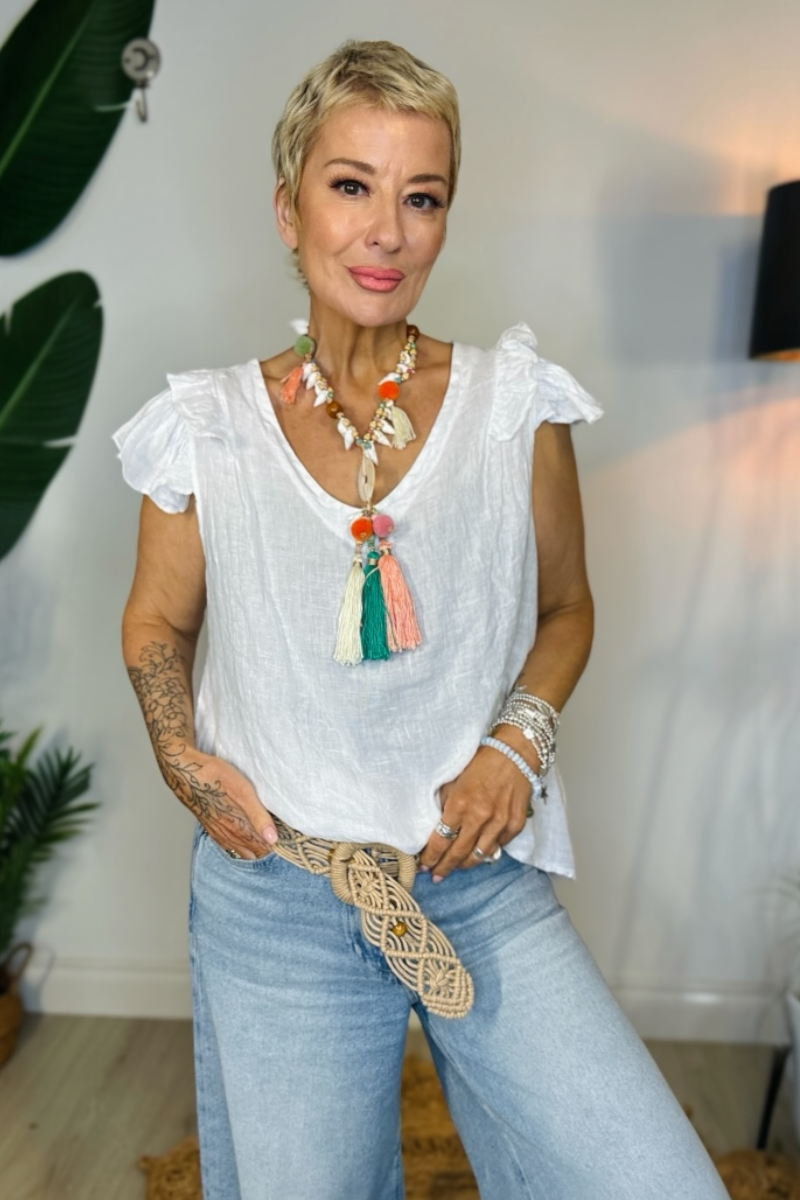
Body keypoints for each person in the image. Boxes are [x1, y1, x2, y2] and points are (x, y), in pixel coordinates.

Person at [114, 39, 729, 1200]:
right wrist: (180, 756)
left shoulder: (513, 406)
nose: (385, 232)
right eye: (351, 186)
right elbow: (154, 622)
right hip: (280, 894)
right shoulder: (204, 429)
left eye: (421, 196)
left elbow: (566, 607)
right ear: (288, 209)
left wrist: (515, 748)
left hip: (476, 880)